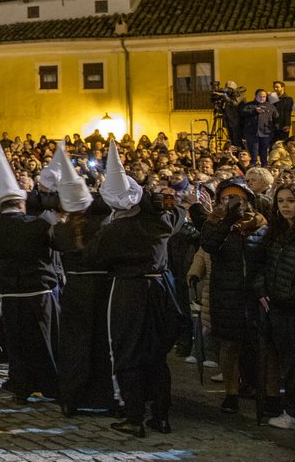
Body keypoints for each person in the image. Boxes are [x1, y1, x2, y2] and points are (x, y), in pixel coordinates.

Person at [86, 140, 183, 437]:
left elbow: (94, 256)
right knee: (156, 356)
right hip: (160, 290)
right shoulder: (159, 222)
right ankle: (162, 417)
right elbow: (178, 215)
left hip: (128, 291)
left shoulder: (114, 230)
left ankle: (134, 416)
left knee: (128, 354)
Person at [0, 143, 59, 402]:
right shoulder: (38, 225)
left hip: (11, 294)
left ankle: (21, 387)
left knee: (18, 344)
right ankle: (51, 386)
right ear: (22, 203)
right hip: (39, 292)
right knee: (44, 342)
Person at [42, 140, 115, 415]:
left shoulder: (61, 231)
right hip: (102, 289)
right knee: (101, 343)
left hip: (75, 289)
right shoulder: (103, 225)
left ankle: (72, 396)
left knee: (75, 345)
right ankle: (103, 396)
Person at [201, 176, 268, 414]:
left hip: (252, 293)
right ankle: (231, 392)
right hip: (226, 294)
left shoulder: (258, 223)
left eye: (237, 197)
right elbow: (209, 245)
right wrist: (227, 222)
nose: (232, 201)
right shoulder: (215, 222)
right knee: (229, 345)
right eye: (227, 197)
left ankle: (254, 387)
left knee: (255, 346)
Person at [254, 179, 295, 427]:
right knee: (286, 362)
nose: (285, 206)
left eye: (291, 201)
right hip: (278, 308)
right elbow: (262, 266)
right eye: (281, 201)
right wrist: (261, 290)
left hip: (290, 306)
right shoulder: (275, 233)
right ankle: (290, 411)